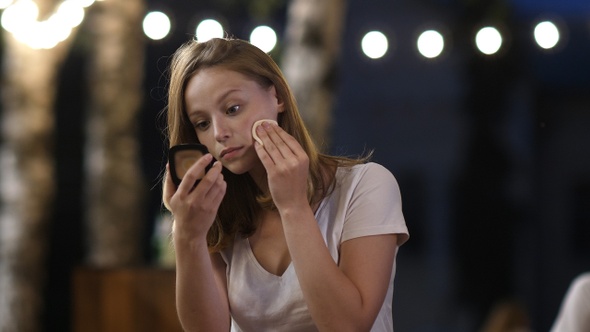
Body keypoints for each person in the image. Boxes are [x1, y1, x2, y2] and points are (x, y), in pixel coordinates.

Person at [162, 37, 409, 332]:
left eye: (232, 109)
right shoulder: (216, 212)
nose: (218, 133)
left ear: (277, 97)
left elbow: (348, 326)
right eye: (202, 123)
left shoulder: (366, 186)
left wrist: (293, 206)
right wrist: (188, 235)